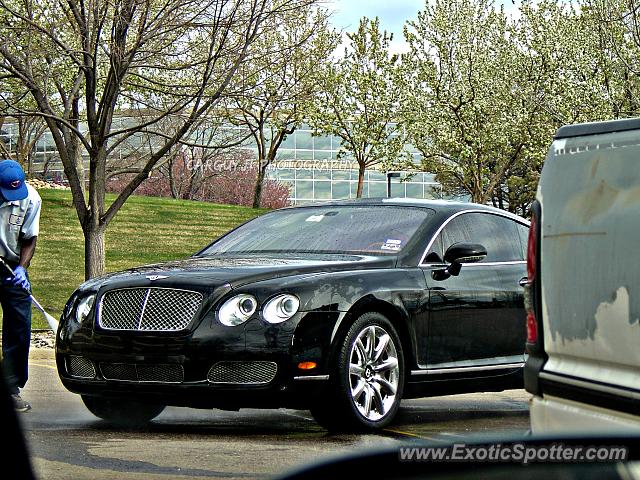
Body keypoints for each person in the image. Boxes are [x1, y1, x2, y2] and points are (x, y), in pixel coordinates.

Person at [0, 160, 41, 412]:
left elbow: (30, 238)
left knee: (19, 325)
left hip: (10, 266)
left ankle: (11, 388)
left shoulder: (31, 199)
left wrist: (22, 269)